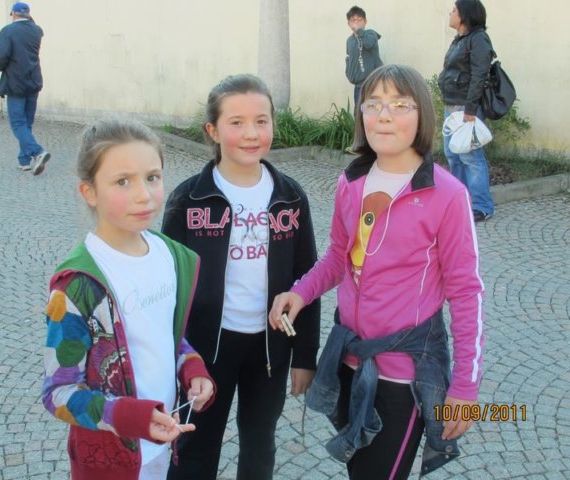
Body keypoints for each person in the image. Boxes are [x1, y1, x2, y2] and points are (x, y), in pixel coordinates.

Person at [269, 64, 485, 480]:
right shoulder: (351, 181)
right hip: (350, 361)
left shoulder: (447, 194)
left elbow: (466, 292)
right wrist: (300, 292)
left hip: (405, 376)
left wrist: (465, 387)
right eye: (374, 104)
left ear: (422, 115)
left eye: (400, 105)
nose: (384, 115)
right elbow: (338, 257)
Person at [162, 74, 320, 480]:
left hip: (269, 349)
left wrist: (304, 357)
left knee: (259, 444)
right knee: (195, 444)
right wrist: (172, 358)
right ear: (213, 130)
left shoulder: (290, 197)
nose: (252, 133)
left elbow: (308, 279)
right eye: (237, 122)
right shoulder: (188, 199)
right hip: (205, 349)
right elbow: (167, 286)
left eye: (261, 121)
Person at [41, 119, 215, 480]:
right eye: (123, 181)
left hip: (162, 444)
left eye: (152, 177)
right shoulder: (78, 285)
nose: (144, 195)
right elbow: (58, 392)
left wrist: (192, 367)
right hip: (107, 459)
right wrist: (130, 417)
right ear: (89, 192)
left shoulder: (171, 256)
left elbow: (164, 334)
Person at [438, 0, 495, 222]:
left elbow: (479, 75)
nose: (451, 13)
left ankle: (482, 206)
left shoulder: (478, 39)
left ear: (465, 14)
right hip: (452, 106)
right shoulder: (460, 39)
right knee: (453, 154)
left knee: (471, 157)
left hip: (465, 108)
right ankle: (461, 201)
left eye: (454, 10)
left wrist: (470, 109)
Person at [0, 2, 51, 175]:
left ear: (14, 14)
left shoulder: (8, 31)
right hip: (34, 81)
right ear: (28, 14)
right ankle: (24, 161)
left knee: (18, 123)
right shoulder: (36, 30)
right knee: (26, 123)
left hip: (16, 83)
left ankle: (38, 152)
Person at [344, 5, 383, 155]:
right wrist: (349, 73)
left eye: (359, 20)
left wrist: (359, 31)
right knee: (359, 114)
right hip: (359, 84)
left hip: (373, 82)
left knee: (373, 112)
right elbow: (350, 58)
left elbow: (369, 44)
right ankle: (360, 145)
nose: (356, 22)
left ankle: (376, 146)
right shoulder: (350, 41)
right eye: (353, 20)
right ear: (348, 23)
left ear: (365, 22)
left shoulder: (370, 34)